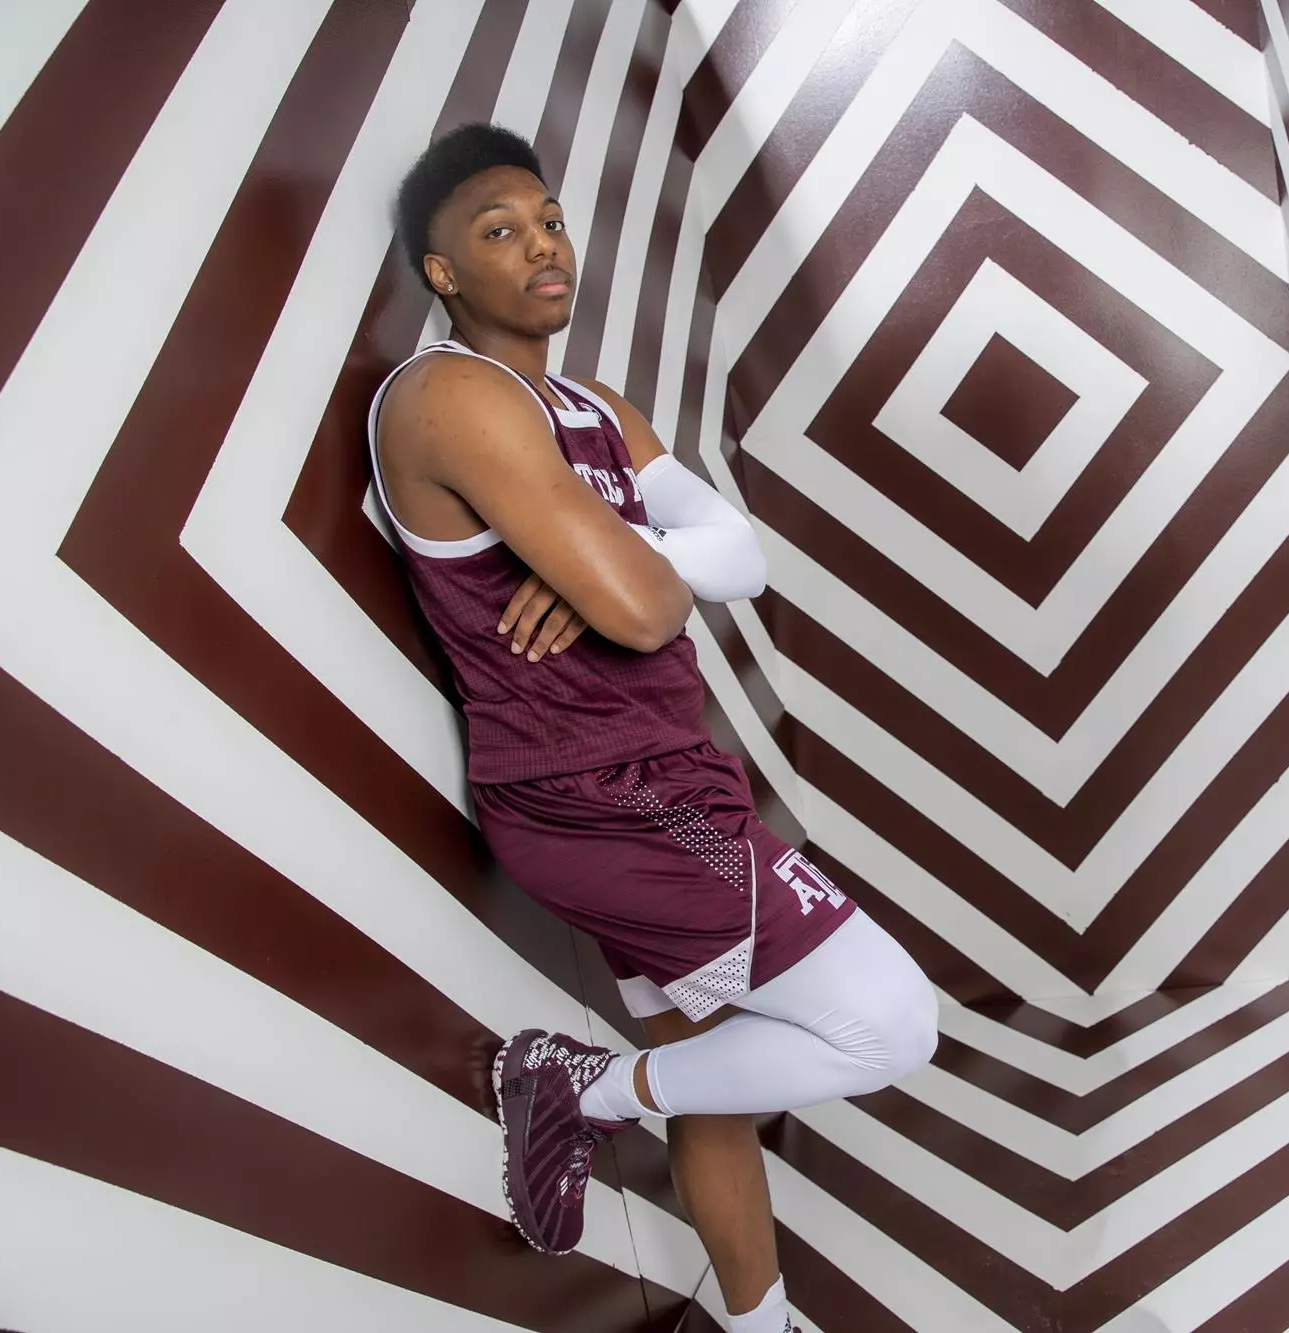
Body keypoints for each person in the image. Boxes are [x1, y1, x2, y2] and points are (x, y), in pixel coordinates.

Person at [371, 123, 938, 1333]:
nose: (538, 246)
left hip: (654, 775)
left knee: (720, 1083)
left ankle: (754, 1324)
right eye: (495, 233)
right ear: (441, 274)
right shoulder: (447, 397)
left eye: (547, 220)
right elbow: (640, 607)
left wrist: (626, 556)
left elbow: (740, 554)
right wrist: (632, 567)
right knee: (890, 1021)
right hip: (607, 792)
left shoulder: (589, 406)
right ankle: (576, 1086)